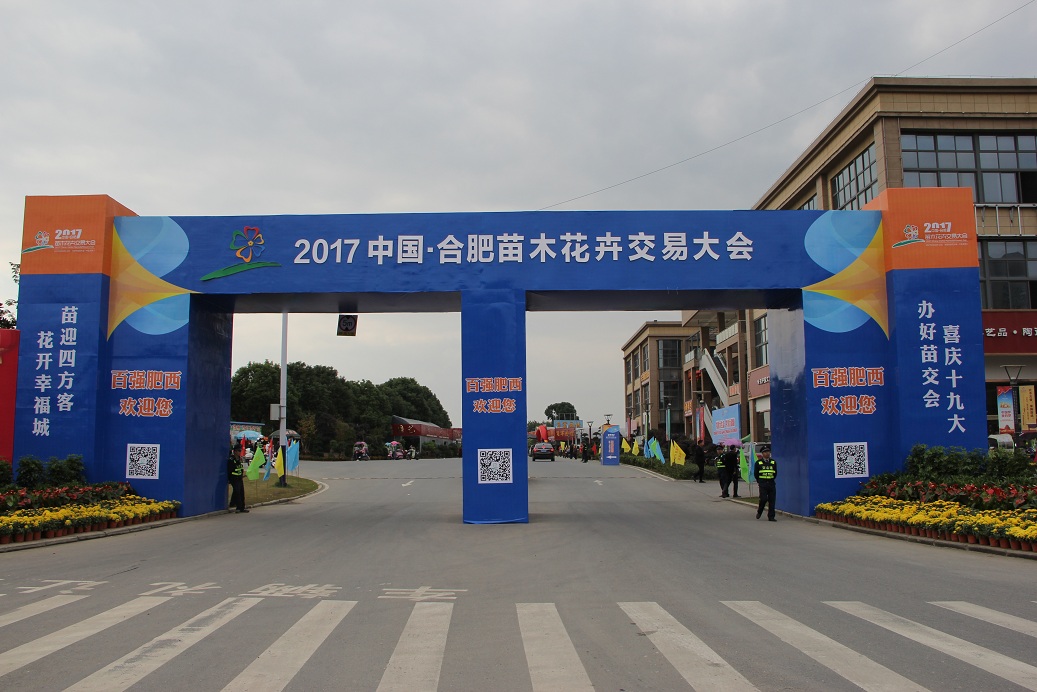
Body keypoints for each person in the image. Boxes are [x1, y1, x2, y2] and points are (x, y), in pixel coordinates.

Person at [754, 444, 777, 521]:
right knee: (763, 499)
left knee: (772, 500)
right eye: (765, 452)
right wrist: (760, 482)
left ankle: (771, 516)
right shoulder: (758, 463)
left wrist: (771, 479)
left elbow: (775, 473)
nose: (767, 453)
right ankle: (760, 511)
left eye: (768, 452)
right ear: (762, 453)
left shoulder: (773, 462)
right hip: (763, 484)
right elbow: (756, 474)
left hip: (771, 483)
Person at [227, 446, 248, 513]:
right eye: (239, 451)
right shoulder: (231, 459)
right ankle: (238, 507)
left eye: (240, 451)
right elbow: (229, 470)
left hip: (239, 478)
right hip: (234, 478)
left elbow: (240, 468)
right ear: (235, 451)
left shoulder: (239, 459)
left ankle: (241, 507)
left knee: (241, 492)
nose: (240, 452)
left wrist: (242, 475)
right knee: (237, 492)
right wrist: (229, 479)